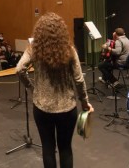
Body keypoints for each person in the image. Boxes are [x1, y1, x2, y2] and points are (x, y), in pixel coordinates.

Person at [16, 12, 93, 168]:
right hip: (67, 108)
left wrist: (32, 88)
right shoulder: (70, 50)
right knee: (65, 149)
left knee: (48, 149)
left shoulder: (34, 49)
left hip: (42, 108)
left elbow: (19, 69)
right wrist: (84, 102)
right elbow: (79, 79)